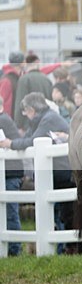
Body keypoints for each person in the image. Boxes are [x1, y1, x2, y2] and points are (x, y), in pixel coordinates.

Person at [0, 92, 75, 254]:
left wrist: (10, 143)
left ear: (31, 109)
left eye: (25, 111)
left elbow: (32, 141)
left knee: (64, 213)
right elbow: (28, 138)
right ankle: (63, 250)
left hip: (62, 172)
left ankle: (65, 249)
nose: (25, 115)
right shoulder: (42, 119)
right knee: (58, 213)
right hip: (56, 172)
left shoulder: (48, 119)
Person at [0, 96, 24, 256]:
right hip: (8, 172)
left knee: (10, 212)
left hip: (10, 173)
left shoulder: (4, 121)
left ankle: (15, 249)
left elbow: (13, 142)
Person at [14, 54, 53, 129]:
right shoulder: (47, 79)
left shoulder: (24, 80)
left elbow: (20, 102)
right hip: (45, 121)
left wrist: (18, 124)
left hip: (28, 124)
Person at [0, 51, 25, 118]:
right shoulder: (7, 80)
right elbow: (3, 102)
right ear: (22, 63)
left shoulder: (19, 77)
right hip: (9, 121)